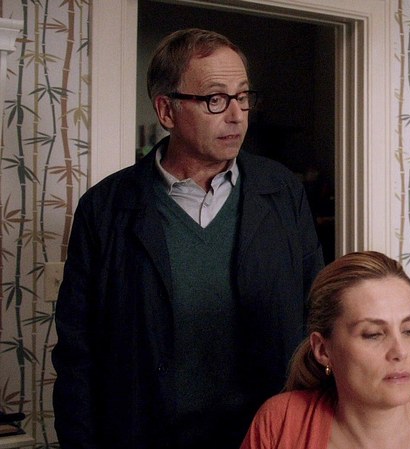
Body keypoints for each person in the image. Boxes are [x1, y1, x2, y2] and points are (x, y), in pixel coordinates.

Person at [52, 28, 324, 449]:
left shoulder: (282, 190)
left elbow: (317, 316)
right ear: (167, 110)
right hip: (145, 436)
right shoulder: (104, 209)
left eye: (243, 97)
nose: (237, 115)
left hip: (263, 433)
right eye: (215, 99)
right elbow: (77, 354)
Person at [240, 251, 410, 449]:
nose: (400, 351)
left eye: (409, 330)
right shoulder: (280, 424)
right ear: (323, 350)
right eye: (373, 334)